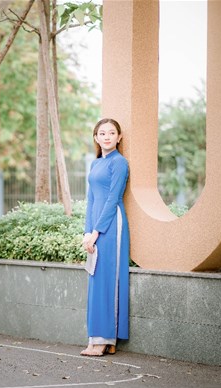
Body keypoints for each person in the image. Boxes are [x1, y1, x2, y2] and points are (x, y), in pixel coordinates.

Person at [81, 118, 130, 357]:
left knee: (107, 279)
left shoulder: (119, 162)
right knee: (95, 280)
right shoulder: (95, 163)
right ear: (96, 137)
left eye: (112, 133)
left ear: (119, 137)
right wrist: (87, 232)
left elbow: (112, 200)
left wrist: (97, 232)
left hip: (112, 225)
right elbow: (91, 200)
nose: (107, 137)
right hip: (95, 228)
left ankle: (106, 339)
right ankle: (95, 338)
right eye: (102, 133)